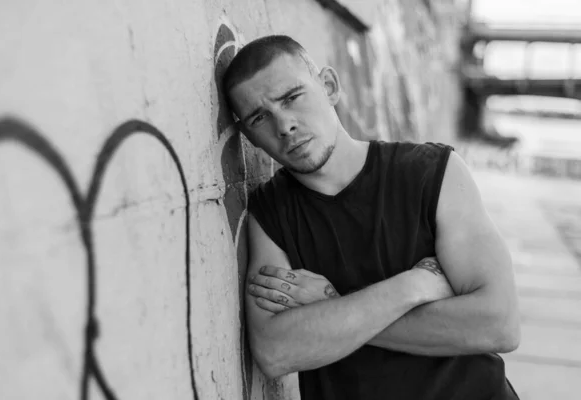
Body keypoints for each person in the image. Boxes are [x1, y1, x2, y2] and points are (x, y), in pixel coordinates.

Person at [222, 35, 521, 400]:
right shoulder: (270, 215)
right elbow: (275, 351)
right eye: (259, 117)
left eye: (291, 98)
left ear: (329, 86)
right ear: (250, 137)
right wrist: (412, 287)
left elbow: (498, 324)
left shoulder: (431, 173)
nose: (283, 126)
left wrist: (331, 306)